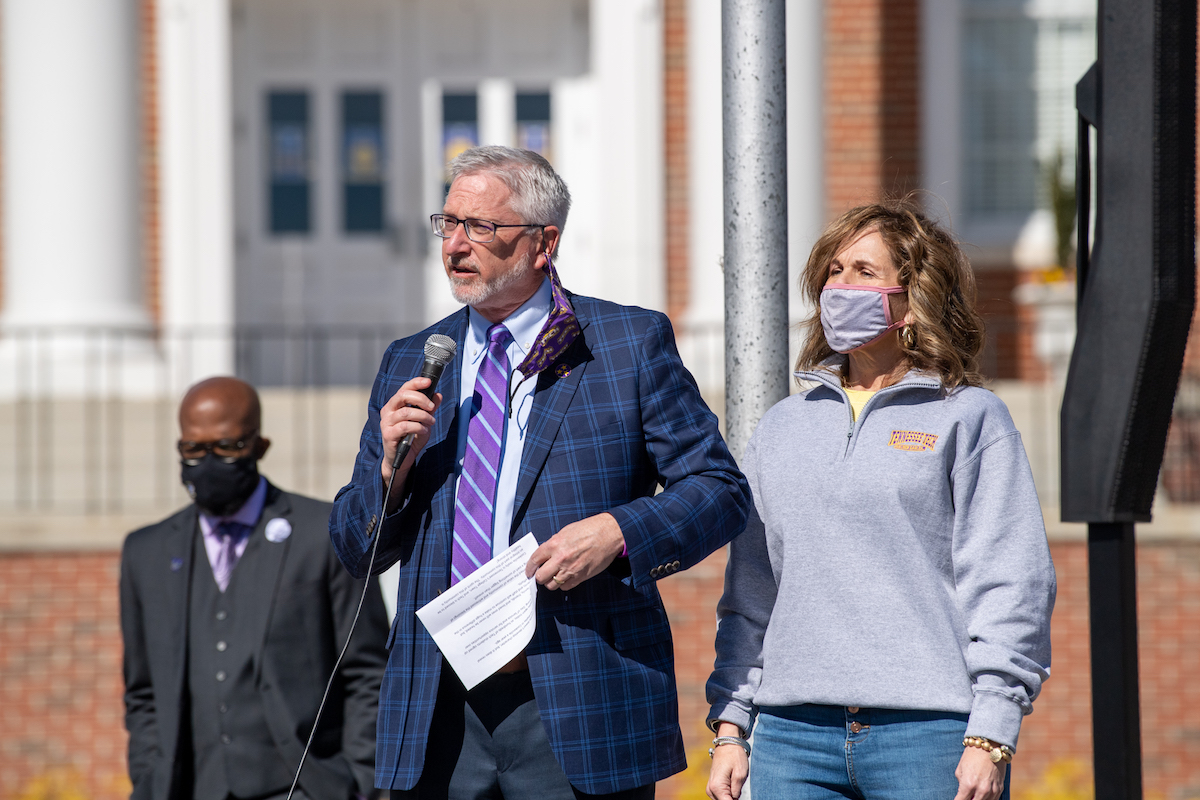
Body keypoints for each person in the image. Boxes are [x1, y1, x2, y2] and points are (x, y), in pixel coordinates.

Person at [329, 145, 751, 799]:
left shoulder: (624, 345)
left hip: (575, 695)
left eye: (480, 227)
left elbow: (719, 491)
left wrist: (619, 532)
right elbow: (358, 549)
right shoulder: (412, 361)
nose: (456, 246)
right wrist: (391, 471)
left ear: (542, 243)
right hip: (439, 709)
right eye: (448, 225)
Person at [705, 200, 1056, 800]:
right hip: (791, 737)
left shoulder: (969, 418)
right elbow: (752, 590)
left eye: (864, 271)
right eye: (833, 271)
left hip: (929, 738)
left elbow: (1010, 581)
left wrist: (991, 734)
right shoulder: (784, 426)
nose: (841, 286)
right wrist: (732, 726)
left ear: (914, 292)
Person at [120, 376, 390, 800]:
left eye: (227, 447)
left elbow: (367, 673)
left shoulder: (322, 533)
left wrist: (355, 781)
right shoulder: (146, 552)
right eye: (193, 449)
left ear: (259, 446)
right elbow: (143, 692)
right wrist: (150, 778)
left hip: (300, 789)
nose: (208, 461)